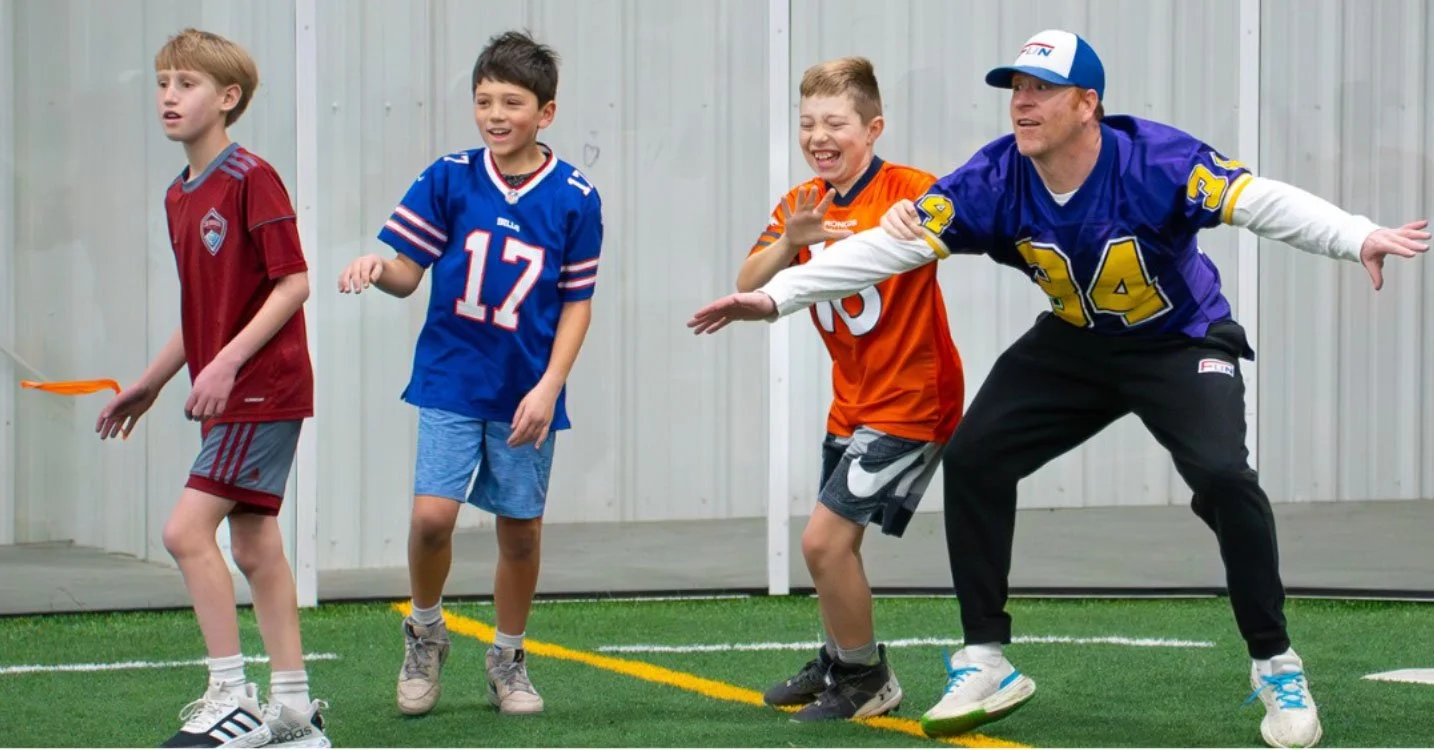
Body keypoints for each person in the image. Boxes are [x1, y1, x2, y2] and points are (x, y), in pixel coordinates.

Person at [688, 29, 1428, 748]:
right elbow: (893, 245)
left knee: (1224, 476)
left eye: (1042, 90)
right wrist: (776, 297)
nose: (1022, 103)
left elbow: (1260, 200)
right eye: (1016, 89)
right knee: (976, 457)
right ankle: (986, 659)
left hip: (1180, 342)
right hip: (1076, 341)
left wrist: (1355, 234)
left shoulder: (1158, 160)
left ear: (1088, 104)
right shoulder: (995, 176)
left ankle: (1276, 665)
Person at [337, 30, 603, 718]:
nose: (494, 114)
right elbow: (406, 274)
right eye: (484, 100)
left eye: (510, 101)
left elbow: (578, 304)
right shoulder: (449, 176)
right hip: (452, 375)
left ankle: (508, 657)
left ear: (545, 112)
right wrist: (378, 268)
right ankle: (425, 633)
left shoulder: (575, 195)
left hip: (524, 390)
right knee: (432, 518)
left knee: (520, 532)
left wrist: (549, 387)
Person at [96, 28, 330, 748]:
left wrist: (225, 363)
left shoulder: (251, 176)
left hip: (263, 389)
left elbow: (294, 281)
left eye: (187, 84)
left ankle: (231, 692)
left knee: (183, 531)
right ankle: (294, 713)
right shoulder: (179, 195)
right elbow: (202, 310)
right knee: (256, 545)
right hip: (230, 393)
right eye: (164, 82)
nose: (169, 95)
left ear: (227, 99)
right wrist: (151, 382)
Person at [741, 57, 965, 722]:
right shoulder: (802, 202)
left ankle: (868, 678)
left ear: (873, 128)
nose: (819, 135)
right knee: (837, 544)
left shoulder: (911, 188)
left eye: (835, 122)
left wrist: (914, 222)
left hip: (912, 402)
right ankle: (840, 659)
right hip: (854, 401)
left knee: (822, 542)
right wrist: (790, 241)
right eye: (808, 122)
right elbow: (750, 280)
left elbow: (958, 219)